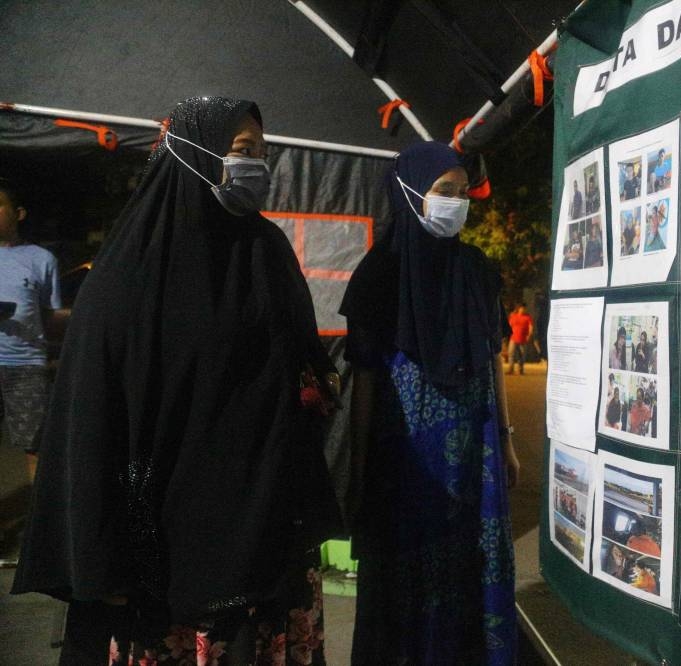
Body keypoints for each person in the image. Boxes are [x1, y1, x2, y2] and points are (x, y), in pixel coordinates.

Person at [12, 97, 341, 664]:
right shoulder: (129, 272)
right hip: (163, 546)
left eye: (263, 153)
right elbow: (92, 418)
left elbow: (305, 365)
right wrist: (99, 550)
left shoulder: (267, 250)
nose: (256, 166)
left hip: (265, 524)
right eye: (242, 151)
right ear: (193, 154)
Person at [340, 141, 519, 665]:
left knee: (473, 570)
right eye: (445, 192)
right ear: (410, 193)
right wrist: (358, 470)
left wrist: (506, 442)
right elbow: (366, 381)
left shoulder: (477, 271)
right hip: (405, 462)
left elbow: (492, 361)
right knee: (407, 580)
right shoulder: (378, 276)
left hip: (475, 455)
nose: (457, 203)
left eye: (463, 193)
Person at [0, 178, 69, 483]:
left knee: (35, 448)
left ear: (18, 214)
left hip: (26, 366)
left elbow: (49, 318)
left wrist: (88, 316)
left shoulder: (42, 260)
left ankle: (35, 524)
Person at [507, 302, 533, 375]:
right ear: (519, 309)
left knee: (521, 355)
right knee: (511, 353)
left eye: (524, 308)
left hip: (523, 339)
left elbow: (530, 327)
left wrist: (529, 335)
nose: (523, 310)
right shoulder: (513, 316)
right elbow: (509, 325)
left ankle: (520, 370)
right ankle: (510, 369)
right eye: (521, 308)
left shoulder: (527, 317)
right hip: (513, 338)